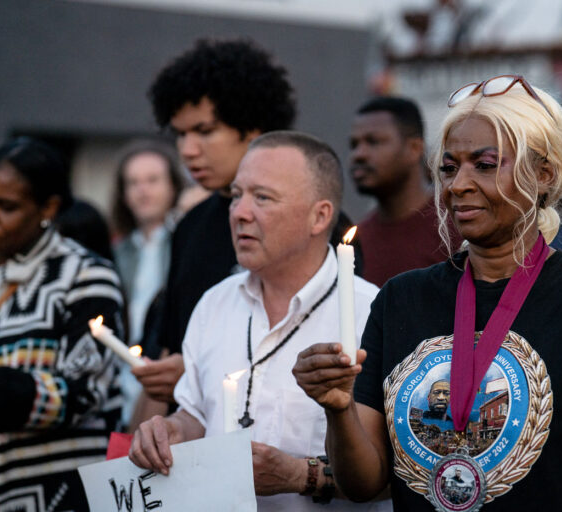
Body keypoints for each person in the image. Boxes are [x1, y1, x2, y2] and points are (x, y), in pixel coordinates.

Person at [294, 75, 562, 510]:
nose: (458, 185)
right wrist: (337, 409)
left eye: (486, 164)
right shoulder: (402, 299)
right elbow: (365, 483)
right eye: (450, 168)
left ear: (544, 174)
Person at [129, 132, 389, 511]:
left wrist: (300, 475)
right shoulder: (215, 303)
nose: (240, 212)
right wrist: (171, 431)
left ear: (320, 216)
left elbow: (397, 473)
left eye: (262, 197)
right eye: (237, 196)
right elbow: (198, 415)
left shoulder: (371, 312)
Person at [131, 38, 296, 405]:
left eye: (204, 132)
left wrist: (196, 372)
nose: (187, 150)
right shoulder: (189, 227)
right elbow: (170, 344)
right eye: (180, 134)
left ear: (251, 126)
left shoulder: (309, 224)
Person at [0, 138, 125, 510]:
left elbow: (81, 392)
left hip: (60, 492)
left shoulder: (85, 274)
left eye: (6, 206)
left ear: (47, 207)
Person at [111, 139, 185, 428]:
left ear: (173, 185)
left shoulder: (186, 240)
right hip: (122, 378)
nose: (143, 190)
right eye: (133, 182)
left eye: (153, 180)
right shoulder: (118, 252)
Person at [350, 96, 458, 286]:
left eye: (373, 142)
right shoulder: (357, 240)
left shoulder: (457, 221)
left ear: (414, 148)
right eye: (354, 145)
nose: (359, 154)